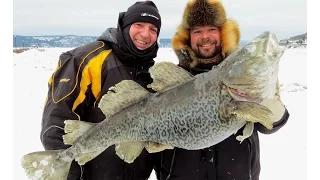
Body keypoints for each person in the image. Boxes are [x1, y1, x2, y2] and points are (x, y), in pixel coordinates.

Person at [153, 0, 290, 180]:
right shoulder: (169, 84)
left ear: (223, 33)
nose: (205, 37)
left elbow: (270, 126)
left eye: (212, 29)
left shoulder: (243, 73)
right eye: (197, 31)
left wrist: (269, 104)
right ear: (188, 37)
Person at [40, 1, 167, 179]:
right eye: (139, 25)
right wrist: (72, 175)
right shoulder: (85, 59)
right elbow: (57, 122)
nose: (145, 34)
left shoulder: (153, 73)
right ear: (125, 25)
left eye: (153, 29)